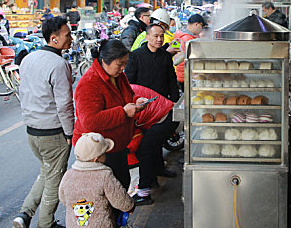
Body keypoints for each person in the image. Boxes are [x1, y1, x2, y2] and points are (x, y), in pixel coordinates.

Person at [13, 17, 75, 228]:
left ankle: (24, 214)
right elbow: (64, 104)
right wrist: (69, 133)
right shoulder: (59, 64)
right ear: (54, 38)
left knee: (47, 172)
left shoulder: (29, 59)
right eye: (67, 35)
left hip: (32, 131)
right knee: (54, 179)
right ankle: (46, 223)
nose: (71, 39)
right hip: (53, 132)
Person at [73, 39, 150, 190]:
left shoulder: (118, 76)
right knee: (107, 192)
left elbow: (128, 96)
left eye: (125, 63)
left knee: (122, 183)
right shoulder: (89, 83)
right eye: (120, 64)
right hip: (98, 151)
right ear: (105, 61)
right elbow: (90, 121)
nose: (123, 68)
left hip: (117, 144)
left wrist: (136, 101)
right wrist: (123, 112)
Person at [125, 24, 180, 205]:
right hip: (144, 109)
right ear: (147, 37)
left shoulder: (165, 56)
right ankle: (152, 178)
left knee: (151, 144)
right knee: (148, 144)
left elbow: (171, 80)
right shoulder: (136, 56)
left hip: (163, 107)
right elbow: (129, 83)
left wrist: (174, 101)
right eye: (155, 36)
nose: (159, 39)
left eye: (161, 36)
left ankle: (151, 180)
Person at [58, 133, 135, 228]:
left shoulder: (68, 175)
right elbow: (119, 199)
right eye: (104, 153)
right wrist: (129, 206)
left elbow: (63, 198)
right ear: (96, 159)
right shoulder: (104, 176)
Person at [173, 14, 208, 90]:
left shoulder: (179, 34)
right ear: (197, 24)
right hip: (187, 75)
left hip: (180, 74)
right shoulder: (188, 39)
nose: (201, 30)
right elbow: (197, 58)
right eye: (201, 27)